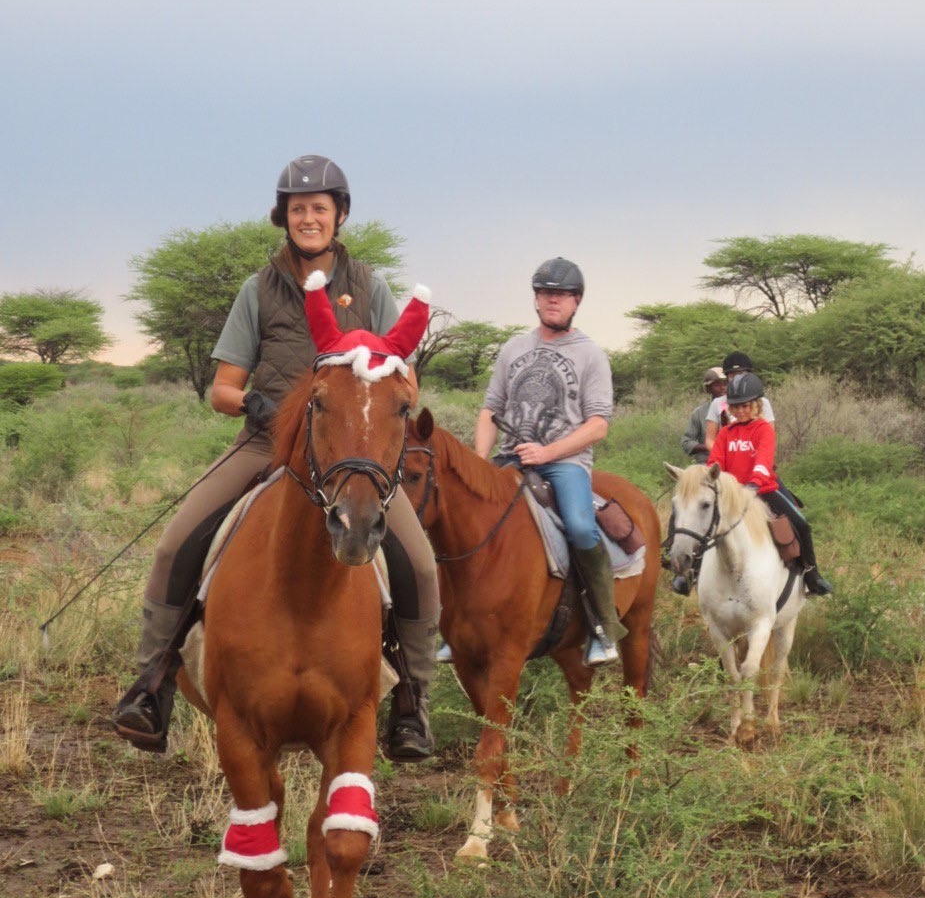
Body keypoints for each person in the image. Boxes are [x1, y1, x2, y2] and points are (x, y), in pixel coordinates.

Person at [110, 154, 440, 760]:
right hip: (268, 444)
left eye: (319, 208)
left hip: (349, 452)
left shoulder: (371, 286)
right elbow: (221, 390)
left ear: (340, 215)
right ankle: (151, 683)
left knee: (418, 564)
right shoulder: (256, 290)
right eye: (297, 209)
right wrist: (256, 405)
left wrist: (373, 381)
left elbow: (405, 381)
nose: (308, 219)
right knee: (175, 542)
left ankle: (413, 701)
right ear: (282, 217)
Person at [475, 257, 626, 665]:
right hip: (511, 457)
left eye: (559, 295)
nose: (551, 301)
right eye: (544, 293)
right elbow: (491, 408)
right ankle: (456, 623)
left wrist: (547, 453)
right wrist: (478, 460)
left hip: (565, 462)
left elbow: (597, 426)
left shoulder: (591, 354)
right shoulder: (514, 348)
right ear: (536, 299)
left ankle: (603, 627)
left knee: (579, 526)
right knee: (467, 518)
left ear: (576, 301)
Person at [707, 371, 833, 596]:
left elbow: (764, 460)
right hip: (732, 494)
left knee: (802, 525)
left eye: (746, 406)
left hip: (762, 490)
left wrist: (754, 484)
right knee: (697, 521)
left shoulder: (763, 429)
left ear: (756, 405)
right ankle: (688, 573)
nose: (741, 411)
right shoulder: (725, 433)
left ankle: (812, 574)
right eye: (736, 407)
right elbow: (715, 461)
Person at [703, 351, 775, 451]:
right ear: (727, 377)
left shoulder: (762, 402)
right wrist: (723, 457)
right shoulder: (717, 403)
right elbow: (710, 440)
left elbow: (770, 436)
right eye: (732, 375)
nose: (737, 379)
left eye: (741, 374)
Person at [680, 367, 727, 463]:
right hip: (707, 464)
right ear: (708, 388)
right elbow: (686, 443)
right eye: (717, 384)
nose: (723, 387)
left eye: (725, 383)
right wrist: (709, 446)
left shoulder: (740, 409)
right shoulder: (699, 413)